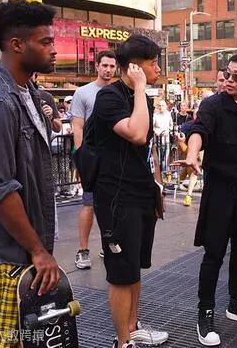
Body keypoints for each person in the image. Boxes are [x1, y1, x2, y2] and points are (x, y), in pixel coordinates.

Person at [0, 0, 60, 348]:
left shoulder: (28, 92)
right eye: (45, 42)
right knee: (1, 342)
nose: (54, 49)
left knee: (23, 340)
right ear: (17, 45)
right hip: (5, 253)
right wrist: (38, 251)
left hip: (23, 248)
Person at [176, 53, 237, 346]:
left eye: (236, 76)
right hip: (219, 188)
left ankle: (236, 302)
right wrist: (192, 155)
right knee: (214, 253)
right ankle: (205, 313)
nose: (228, 80)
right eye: (227, 74)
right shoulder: (213, 105)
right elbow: (199, 132)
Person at [92, 36, 168, 348]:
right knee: (121, 271)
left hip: (140, 192)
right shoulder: (108, 97)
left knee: (134, 265)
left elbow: (145, 149)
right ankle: (122, 341)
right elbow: (136, 134)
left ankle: (133, 327)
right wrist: (139, 88)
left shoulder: (142, 99)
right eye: (153, 63)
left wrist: (156, 187)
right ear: (135, 67)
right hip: (116, 196)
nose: (158, 69)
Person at [71, 50, 117, 269]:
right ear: (97, 66)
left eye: (112, 66)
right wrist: (82, 158)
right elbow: (77, 126)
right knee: (89, 203)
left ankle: (109, 245)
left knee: (114, 205)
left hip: (114, 160)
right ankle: (82, 250)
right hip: (92, 159)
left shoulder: (119, 91)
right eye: (104, 65)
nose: (108, 70)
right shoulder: (83, 93)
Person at [153, 99, 173, 175]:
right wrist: (156, 131)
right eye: (160, 105)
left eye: (162, 105)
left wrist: (168, 130)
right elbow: (153, 127)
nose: (161, 107)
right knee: (159, 157)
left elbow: (171, 125)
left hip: (166, 139)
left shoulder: (168, 114)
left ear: (165, 106)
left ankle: (166, 173)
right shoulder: (155, 115)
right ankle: (160, 173)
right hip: (158, 140)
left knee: (166, 157)